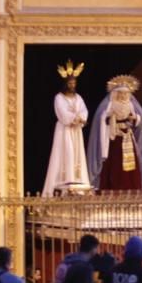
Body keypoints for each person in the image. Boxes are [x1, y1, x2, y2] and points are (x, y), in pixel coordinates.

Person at [86, 74, 142, 192]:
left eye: (126, 93)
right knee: (114, 164)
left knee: (130, 166)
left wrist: (135, 119)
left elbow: (139, 120)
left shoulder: (131, 105)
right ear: (116, 93)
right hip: (114, 138)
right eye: (121, 93)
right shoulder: (110, 104)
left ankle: (131, 189)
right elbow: (102, 118)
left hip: (127, 136)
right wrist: (109, 117)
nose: (123, 95)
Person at [41, 59, 90, 196]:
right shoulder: (59, 98)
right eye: (70, 83)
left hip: (76, 130)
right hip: (64, 130)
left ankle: (78, 187)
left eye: (74, 83)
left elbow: (84, 111)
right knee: (65, 154)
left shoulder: (78, 97)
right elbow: (62, 112)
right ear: (65, 84)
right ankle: (64, 186)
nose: (72, 85)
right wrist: (74, 118)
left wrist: (81, 118)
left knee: (77, 156)